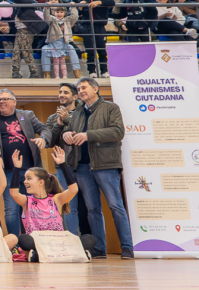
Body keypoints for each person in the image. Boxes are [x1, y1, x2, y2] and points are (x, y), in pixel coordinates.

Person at [59, 77, 132, 259]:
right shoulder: (77, 112)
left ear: (96, 89)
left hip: (106, 166)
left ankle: (127, 247)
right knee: (92, 210)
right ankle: (99, 249)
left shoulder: (110, 108)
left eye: (84, 87)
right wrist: (67, 134)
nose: (81, 91)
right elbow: (68, 129)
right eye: (78, 89)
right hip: (83, 167)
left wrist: (88, 135)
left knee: (116, 206)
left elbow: (118, 132)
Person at [8, 146, 96, 261]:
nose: (25, 182)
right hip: (38, 242)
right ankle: (74, 253)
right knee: (24, 240)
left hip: (58, 242)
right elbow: (14, 193)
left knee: (89, 239)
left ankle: (38, 256)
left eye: (29, 178)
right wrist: (16, 168)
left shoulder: (56, 199)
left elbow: (73, 189)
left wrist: (62, 164)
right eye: (25, 179)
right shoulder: (26, 201)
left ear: (41, 182)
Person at [0, 88, 50, 237]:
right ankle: (14, 242)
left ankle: (34, 239)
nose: (2, 102)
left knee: (32, 206)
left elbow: (44, 129)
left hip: (30, 171)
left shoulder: (27, 115)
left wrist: (43, 139)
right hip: (8, 171)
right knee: (11, 209)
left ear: (14, 102)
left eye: (5, 99)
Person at [45, 83, 84, 235]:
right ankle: (73, 239)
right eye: (60, 92)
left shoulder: (83, 113)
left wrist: (68, 120)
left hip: (83, 164)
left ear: (75, 96)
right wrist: (59, 124)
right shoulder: (52, 118)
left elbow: (83, 133)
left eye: (66, 92)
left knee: (91, 206)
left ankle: (93, 243)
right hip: (63, 166)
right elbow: (50, 142)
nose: (61, 95)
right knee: (68, 207)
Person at [41, 3, 81, 78]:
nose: (59, 14)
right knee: (44, 49)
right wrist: (46, 8)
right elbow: (46, 17)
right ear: (53, 12)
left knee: (72, 49)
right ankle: (46, 73)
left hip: (64, 43)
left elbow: (75, 16)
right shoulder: (52, 20)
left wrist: (72, 7)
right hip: (53, 44)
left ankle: (77, 71)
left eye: (61, 12)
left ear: (65, 13)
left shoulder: (67, 20)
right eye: (57, 12)